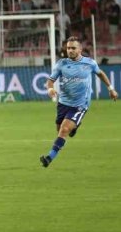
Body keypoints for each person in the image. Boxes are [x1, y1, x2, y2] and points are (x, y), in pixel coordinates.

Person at [40, 37, 117, 168]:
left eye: (73, 48)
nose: (70, 50)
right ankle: (76, 125)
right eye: (68, 48)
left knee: (64, 130)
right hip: (63, 103)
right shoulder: (61, 64)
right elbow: (50, 80)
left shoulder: (89, 63)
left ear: (80, 49)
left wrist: (111, 89)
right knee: (60, 130)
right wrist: (51, 89)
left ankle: (49, 157)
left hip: (80, 105)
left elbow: (101, 74)